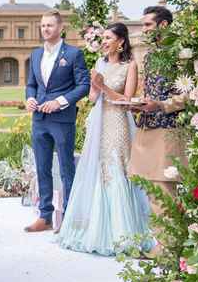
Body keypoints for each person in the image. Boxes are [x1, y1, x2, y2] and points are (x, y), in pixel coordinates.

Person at [56, 23, 151, 255]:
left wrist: (104, 86)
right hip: (99, 122)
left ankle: (123, 234)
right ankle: (94, 230)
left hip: (118, 122)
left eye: (109, 38)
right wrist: (95, 87)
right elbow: (91, 98)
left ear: (121, 41)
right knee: (97, 168)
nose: (105, 42)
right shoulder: (99, 64)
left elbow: (127, 100)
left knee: (117, 167)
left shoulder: (130, 66)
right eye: (103, 38)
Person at [24, 10, 90, 233]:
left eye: (50, 25)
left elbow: (83, 86)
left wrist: (60, 102)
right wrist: (30, 98)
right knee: (42, 168)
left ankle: (69, 218)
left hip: (62, 119)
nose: (45, 29)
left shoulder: (73, 54)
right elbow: (32, 84)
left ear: (61, 28)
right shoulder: (35, 54)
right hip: (39, 118)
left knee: (65, 168)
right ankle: (45, 216)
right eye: (43, 26)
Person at [129, 6, 186, 226]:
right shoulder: (151, 55)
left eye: (147, 25)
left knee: (164, 188)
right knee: (150, 188)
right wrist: (139, 105)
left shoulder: (180, 54)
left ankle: (168, 249)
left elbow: (191, 94)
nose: (143, 30)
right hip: (147, 126)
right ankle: (160, 245)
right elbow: (150, 91)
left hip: (168, 128)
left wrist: (161, 105)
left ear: (163, 25)